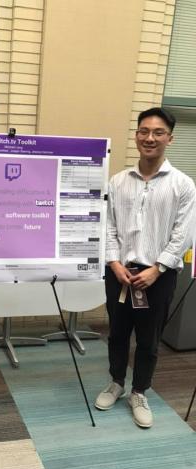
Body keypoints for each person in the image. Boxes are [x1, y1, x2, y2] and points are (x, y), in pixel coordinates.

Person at [95, 107, 196, 428]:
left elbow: (184, 233)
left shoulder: (183, 185)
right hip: (119, 273)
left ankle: (139, 391)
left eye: (158, 132)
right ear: (137, 135)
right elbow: (108, 226)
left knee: (149, 339)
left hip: (159, 276)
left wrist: (158, 268)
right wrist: (113, 262)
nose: (149, 138)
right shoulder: (118, 181)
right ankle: (116, 382)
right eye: (144, 131)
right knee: (117, 333)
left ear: (169, 138)